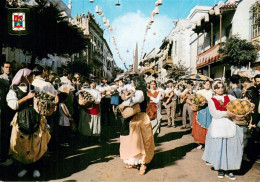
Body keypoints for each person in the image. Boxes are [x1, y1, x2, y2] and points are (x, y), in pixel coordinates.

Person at [7, 68, 50, 178]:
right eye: (31, 76)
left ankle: (36, 167)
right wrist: (27, 98)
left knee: (35, 143)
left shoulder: (34, 88)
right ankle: (24, 167)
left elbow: (41, 101)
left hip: (35, 117)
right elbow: (13, 105)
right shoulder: (14, 90)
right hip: (21, 118)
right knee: (22, 144)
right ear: (26, 77)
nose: (33, 78)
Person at [202, 82, 243, 180]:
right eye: (217, 88)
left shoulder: (229, 97)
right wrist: (227, 113)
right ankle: (220, 169)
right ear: (214, 89)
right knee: (219, 147)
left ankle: (229, 170)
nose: (220, 89)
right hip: (218, 125)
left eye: (222, 87)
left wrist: (247, 103)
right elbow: (215, 113)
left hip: (230, 124)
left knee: (230, 148)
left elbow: (239, 103)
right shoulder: (211, 100)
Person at [119, 76, 154, 175]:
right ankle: (134, 162)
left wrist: (124, 103)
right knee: (133, 142)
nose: (132, 83)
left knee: (141, 142)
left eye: (133, 82)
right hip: (135, 118)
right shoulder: (137, 91)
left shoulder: (140, 92)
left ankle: (143, 164)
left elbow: (133, 101)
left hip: (139, 118)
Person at [0, 61, 15, 166]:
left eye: (9, 67)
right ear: (3, 68)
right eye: (6, 67)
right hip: (3, 108)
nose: (8, 69)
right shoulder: (1, 79)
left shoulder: (13, 79)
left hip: (11, 109)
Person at [191, 81, 213, 149]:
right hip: (201, 110)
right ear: (203, 85)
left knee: (209, 126)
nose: (208, 85)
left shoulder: (212, 92)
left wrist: (207, 102)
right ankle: (201, 143)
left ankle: (209, 142)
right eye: (206, 84)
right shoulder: (199, 92)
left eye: (209, 84)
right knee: (200, 127)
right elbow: (194, 100)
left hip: (209, 110)